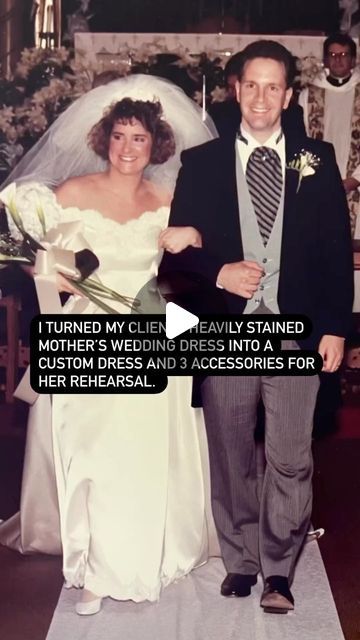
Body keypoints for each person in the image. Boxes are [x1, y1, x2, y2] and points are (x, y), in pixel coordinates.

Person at [0, 75, 218, 615]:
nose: (127, 148)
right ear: (105, 139)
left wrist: (193, 237)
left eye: (138, 139)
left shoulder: (167, 199)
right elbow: (33, 257)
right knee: (93, 449)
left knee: (146, 449)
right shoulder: (71, 193)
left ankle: (151, 545)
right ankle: (97, 565)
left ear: (156, 145)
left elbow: (203, 257)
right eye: (119, 136)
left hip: (153, 324)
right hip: (91, 330)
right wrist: (56, 274)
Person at [160, 40, 354, 613]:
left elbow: (335, 253)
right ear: (236, 90)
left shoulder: (317, 159)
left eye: (275, 86)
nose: (262, 97)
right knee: (231, 449)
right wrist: (218, 271)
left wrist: (337, 327)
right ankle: (241, 560)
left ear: (289, 95)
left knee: (291, 455)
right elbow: (175, 258)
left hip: (295, 329)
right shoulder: (202, 165)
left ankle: (279, 570)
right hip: (226, 331)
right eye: (252, 85)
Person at [298, 33, 360, 234]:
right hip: (319, 183)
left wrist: (355, 179)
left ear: (353, 59)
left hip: (356, 183)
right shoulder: (309, 96)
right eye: (333, 55)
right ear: (325, 60)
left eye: (344, 54)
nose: (338, 59)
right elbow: (302, 138)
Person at [208, 50, 306, 139]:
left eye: (271, 88)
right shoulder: (219, 113)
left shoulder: (292, 113)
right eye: (250, 86)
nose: (260, 98)